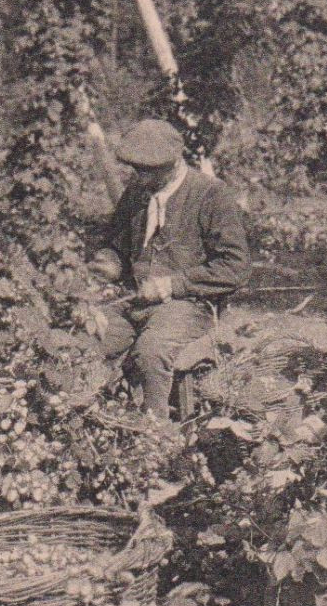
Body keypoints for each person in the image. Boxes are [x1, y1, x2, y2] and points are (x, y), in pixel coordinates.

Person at [90, 119, 251, 420]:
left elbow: (236, 267)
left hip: (187, 305)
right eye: (137, 170)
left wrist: (172, 285)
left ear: (175, 162)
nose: (141, 177)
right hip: (133, 300)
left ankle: (154, 437)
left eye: (149, 170)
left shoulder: (212, 196)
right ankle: (101, 424)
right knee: (91, 341)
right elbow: (117, 244)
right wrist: (109, 261)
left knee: (151, 352)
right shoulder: (137, 192)